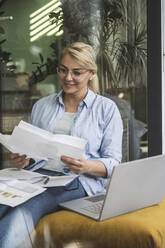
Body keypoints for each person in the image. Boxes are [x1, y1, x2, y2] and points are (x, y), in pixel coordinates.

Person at [0, 42, 123, 247]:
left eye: (77, 72)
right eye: (63, 70)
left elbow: (114, 164)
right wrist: (24, 159)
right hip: (38, 176)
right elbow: (34, 151)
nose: (68, 78)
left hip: (78, 181)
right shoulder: (42, 105)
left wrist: (87, 166)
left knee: (22, 211)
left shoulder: (106, 109)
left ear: (91, 73)